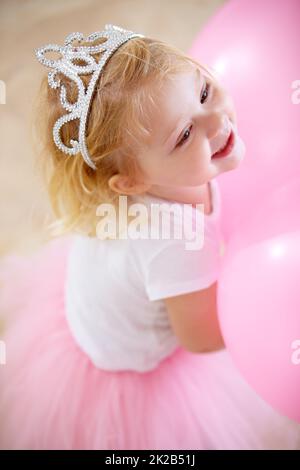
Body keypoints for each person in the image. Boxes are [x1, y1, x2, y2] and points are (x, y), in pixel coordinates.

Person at [0, 24, 299, 450]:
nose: (217, 121)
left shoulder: (172, 177)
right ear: (132, 183)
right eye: (183, 136)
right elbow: (203, 337)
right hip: (129, 360)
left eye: (203, 92)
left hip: (113, 288)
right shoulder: (173, 243)